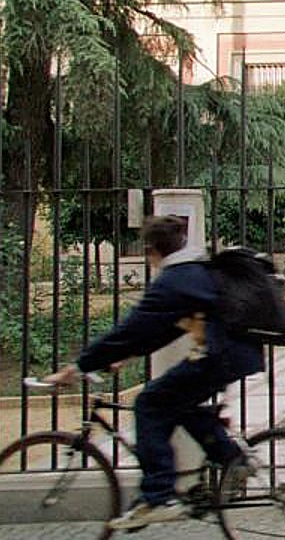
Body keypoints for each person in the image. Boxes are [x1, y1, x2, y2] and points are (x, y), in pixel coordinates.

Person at [43, 215, 264, 530]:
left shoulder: (173, 281)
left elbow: (129, 330)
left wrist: (77, 367)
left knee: (149, 402)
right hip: (231, 354)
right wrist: (124, 356)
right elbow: (161, 330)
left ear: (152, 251)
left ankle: (160, 496)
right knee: (178, 402)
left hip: (220, 356)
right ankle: (232, 459)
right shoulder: (193, 273)